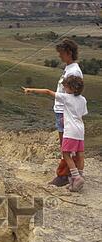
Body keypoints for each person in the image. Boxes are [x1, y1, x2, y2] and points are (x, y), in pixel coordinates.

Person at [23, 75, 87, 192]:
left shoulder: (66, 97)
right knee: (79, 154)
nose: (64, 89)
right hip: (80, 130)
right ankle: (79, 177)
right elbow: (80, 115)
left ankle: (76, 177)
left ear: (71, 88)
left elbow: (48, 92)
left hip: (70, 131)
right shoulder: (83, 100)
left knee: (66, 154)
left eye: (66, 87)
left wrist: (30, 90)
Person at [50, 39, 83, 187]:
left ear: (68, 52)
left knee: (66, 146)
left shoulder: (73, 71)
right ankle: (72, 174)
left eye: (61, 53)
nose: (59, 56)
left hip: (65, 112)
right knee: (67, 145)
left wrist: (66, 113)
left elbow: (73, 94)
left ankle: (64, 175)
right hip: (63, 110)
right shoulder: (69, 68)